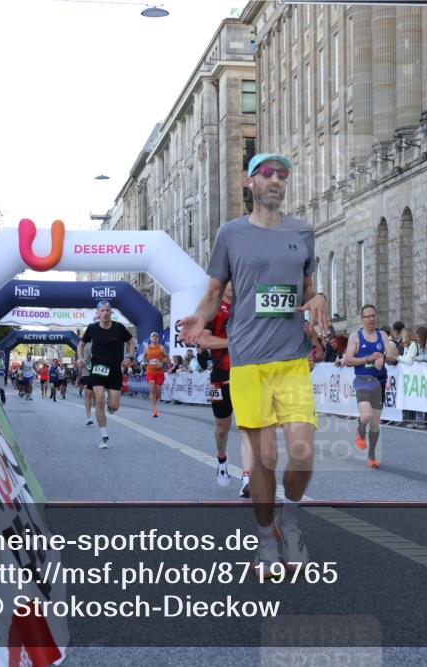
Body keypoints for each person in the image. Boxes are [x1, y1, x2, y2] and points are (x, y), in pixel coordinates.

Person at [179, 152, 328, 576]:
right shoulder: (231, 234)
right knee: (264, 459)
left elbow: (309, 289)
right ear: (250, 182)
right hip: (247, 362)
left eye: (283, 174)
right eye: (267, 173)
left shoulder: (303, 231)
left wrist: (317, 298)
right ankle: (266, 538)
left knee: (302, 452)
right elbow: (214, 291)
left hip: (291, 359)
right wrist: (201, 316)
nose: (276, 179)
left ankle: (291, 520)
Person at [198, 283, 258, 497]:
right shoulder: (213, 310)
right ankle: (221, 458)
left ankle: (247, 477)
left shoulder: (249, 307)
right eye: (230, 282)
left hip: (246, 373)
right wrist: (232, 342)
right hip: (220, 375)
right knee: (223, 427)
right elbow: (203, 340)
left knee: (247, 427)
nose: (234, 287)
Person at [343, 304, 399, 468]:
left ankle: (372, 455)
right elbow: (348, 360)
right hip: (362, 381)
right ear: (362, 319)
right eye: (368, 316)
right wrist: (368, 358)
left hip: (379, 382)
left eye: (374, 316)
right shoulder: (356, 337)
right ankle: (360, 432)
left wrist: (382, 357)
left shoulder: (382, 335)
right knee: (366, 415)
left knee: (375, 423)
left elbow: (392, 357)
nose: (372, 319)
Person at [78, 300, 136, 448]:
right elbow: (81, 344)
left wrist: (130, 357)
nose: (105, 313)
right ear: (98, 313)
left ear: (111, 313)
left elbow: (131, 341)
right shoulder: (92, 328)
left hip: (115, 370)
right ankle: (104, 436)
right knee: (99, 399)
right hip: (97, 369)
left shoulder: (119, 328)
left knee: (114, 406)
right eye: (102, 310)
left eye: (107, 310)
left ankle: (111, 408)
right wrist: (80, 358)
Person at [143, 332, 168, 418]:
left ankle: (155, 397)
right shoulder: (146, 347)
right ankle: (154, 410)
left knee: (157, 390)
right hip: (150, 371)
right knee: (152, 388)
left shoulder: (161, 347)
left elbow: (167, 358)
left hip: (159, 372)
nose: (154, 338)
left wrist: (162, 362)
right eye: (153, 336)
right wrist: (147, 361)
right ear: (150, 338)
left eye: (156, 337)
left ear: (158, 338)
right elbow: (144, 357)